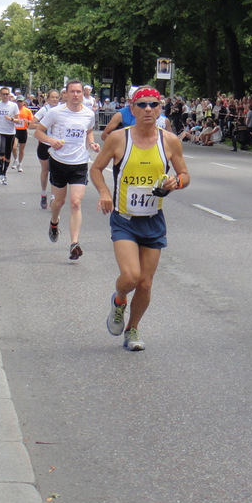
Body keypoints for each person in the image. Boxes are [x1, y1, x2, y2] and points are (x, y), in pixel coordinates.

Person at [89, 87, 190, 351]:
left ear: (160, 109)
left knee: (145, 282)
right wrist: (103, 192)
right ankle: (119, 299)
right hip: (124, 218)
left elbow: (185, 175)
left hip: (153, 219)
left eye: (153, 104)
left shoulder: (169, 141)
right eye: (142, 104)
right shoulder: (118, 139)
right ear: (131, 109)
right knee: (131, 276)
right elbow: (96, 169)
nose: (148, 109)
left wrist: (176, 182)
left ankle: (132, 330)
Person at [34, 80, 99, 260]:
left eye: (79, 92)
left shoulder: (88, 114)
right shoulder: (56, 112)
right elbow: (38, 132)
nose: (76, 95)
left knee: (76, 203)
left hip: (79, 162)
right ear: (67, 94)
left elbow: (89, 131)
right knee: (59, 202)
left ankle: (74, 243)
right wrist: (50, 141)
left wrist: (92, 143)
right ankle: (54, 222)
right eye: (73, 92)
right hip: (59, 161)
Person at [30, 89, 61, 209]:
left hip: (56, 145)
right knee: (45, 170)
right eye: (52, 97)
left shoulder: (61, 110)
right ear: (47, 99)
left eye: (56, 97)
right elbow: (32, 124)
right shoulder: (45, 110)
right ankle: (43, 193)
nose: (54, 99)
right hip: (44, 144)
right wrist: (46, 124)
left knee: (55, 170)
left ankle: (54, 196)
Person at [0, 88, 19, 184]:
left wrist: (11, 119)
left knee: (7, 154)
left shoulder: (14, 105)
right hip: (0, 131)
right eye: (4, 94)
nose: (6, 96)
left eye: (7, 94)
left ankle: (4, 174)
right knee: (1, 151)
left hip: (10, 132)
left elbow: (18, 120)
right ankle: (0, 173)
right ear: (0, 95)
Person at [12, 93, 34, 171]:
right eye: (18, 101)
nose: (19, 103)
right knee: (14, 147)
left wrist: (27, 121)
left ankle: (20, 164)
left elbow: (32, 121)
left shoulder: (27, 111)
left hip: (23, 131)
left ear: (24, 102)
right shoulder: (14, 109)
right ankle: (15, 160)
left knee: (21, 149)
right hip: (15, 131)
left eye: (21, 101)